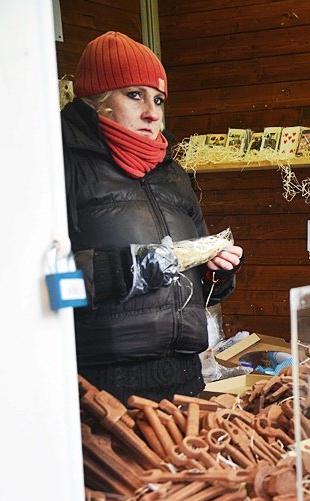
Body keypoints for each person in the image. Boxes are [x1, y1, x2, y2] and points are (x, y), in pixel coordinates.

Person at [62, 31, 244, 402]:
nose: (152, 113)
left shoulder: (171, 173)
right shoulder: (62, 164)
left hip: (184, 376)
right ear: (96, 100)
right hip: (102, 387)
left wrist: (217, 273)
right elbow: (39, 281)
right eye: (134, 95)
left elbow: (199, 286)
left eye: (158, 99)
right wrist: (127, 269)